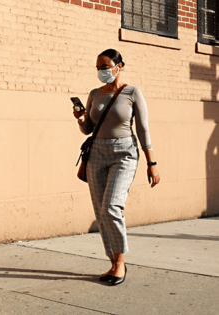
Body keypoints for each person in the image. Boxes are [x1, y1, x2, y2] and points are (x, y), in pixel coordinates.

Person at [73, 49, 160, 286]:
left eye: (106, 66)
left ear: (119, 65)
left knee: (111, 206)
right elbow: (89, 129)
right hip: (97, 153)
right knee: (100, 212)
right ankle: (112, 262)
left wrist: (151, 162)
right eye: (98, 67)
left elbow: (142, 128)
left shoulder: (132, 92)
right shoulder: (93, 94)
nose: (102, 71)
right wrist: (81, 120)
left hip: (124, 154)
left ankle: (121, 263)